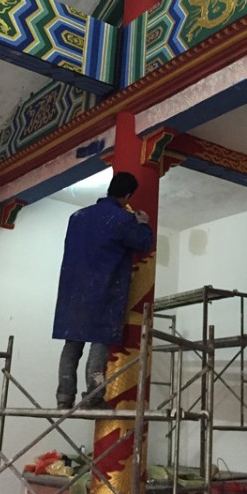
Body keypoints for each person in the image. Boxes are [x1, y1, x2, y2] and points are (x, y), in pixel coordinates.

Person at [52, 171, 153, 409]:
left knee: (72, 344)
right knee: (99, 342)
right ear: (127, 195)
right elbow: (143, 244)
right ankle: (93, 397)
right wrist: (143, 224)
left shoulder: (77, 217)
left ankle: (64, 398)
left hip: (73, 292)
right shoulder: (122, 219)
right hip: (103, 289)